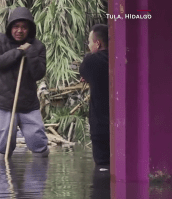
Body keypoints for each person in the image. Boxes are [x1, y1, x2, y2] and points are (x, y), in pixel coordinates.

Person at [0, 7, 49, 158]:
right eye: (16, 26)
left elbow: (38, 74)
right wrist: (18, 52)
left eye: (24, 27)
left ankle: (38, 178)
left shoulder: (38, 46)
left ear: (30, 29)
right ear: (10, 27)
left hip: (28, 104)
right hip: (3, 102)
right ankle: (3, 178)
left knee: (38, 142)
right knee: (4, 144)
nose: (19, 31)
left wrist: (31, 53)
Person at [79, 24, 110, 166]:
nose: (89, 46)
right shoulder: (120, 59)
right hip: (123, 125)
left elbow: (85, 71)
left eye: (90, 42)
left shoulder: (91, 61)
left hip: (101, 127)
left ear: (98, 43)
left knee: (102, 168)